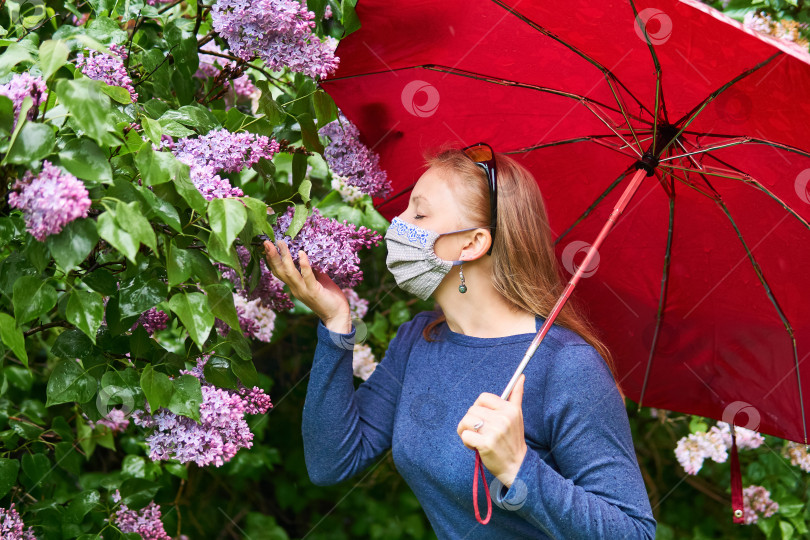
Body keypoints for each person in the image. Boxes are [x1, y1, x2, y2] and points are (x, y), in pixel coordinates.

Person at [263, 143, 657, 539]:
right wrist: (335, 324)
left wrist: (518, 466)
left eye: (419, 213)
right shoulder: (420, 337)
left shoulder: (567, 366)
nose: (396, 225)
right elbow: (332, 460)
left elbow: (635, 532)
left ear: (471, 244)